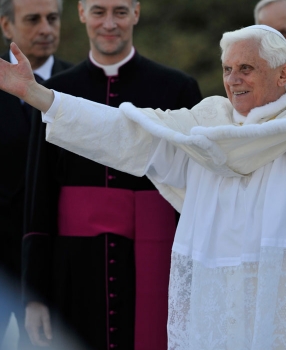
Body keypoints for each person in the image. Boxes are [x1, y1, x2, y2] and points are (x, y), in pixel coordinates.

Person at [0, 24, 286, 349]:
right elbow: (124, 132)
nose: (232, 80)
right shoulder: (202, 130)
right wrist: (39, 95)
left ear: (283, 74)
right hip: (220, 303)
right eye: (227, 69)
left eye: (246, 68)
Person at [21, 0, 202, 349]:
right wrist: (34, 295)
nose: (109, 23)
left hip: (158, 260)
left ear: (136, 13)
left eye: (120, 12)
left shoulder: (178, 88)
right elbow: (38, 197)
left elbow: (193, 196)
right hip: (74, 267)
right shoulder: (52, 94)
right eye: (99, 11)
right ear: (81, 13)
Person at [0, 0, 71, 348]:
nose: (46, 28)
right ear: (6, 26)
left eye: (52, 18)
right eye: (33, 19)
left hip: (61, 265)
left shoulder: (81, 88)